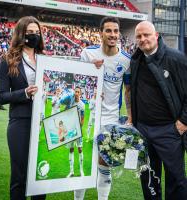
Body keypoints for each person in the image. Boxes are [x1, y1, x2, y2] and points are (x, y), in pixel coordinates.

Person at [76, 16, 131, 200]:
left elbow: (128, 91)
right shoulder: (87, 54)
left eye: (116, 31)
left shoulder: (125, 60)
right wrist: (91, 74)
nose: (113, 34)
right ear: (100, 33)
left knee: (104, 162)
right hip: (88, 114)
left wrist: (130, 118)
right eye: (108, 30)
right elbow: (77, 83)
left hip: (111, 117)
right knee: (85, 163)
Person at [130, 21, 187, 200]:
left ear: (156, 35)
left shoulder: (176, 58)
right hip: (144, 130)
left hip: (169, 130)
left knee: (176, 180)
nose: (143, 39)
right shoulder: (136, 59)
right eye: (139, 36)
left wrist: (183, 122)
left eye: (146, 34)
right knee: (148, 179)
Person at [0, 16, 46, 200]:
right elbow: (2, 96)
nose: (34, 36)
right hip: (20, 122)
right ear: (21, 34)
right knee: (19, 175)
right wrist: (24, 93)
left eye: (37, 33)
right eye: (30, 33)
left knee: (40, 174)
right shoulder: (8, 60)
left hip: (43, 122)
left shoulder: (44, 59)